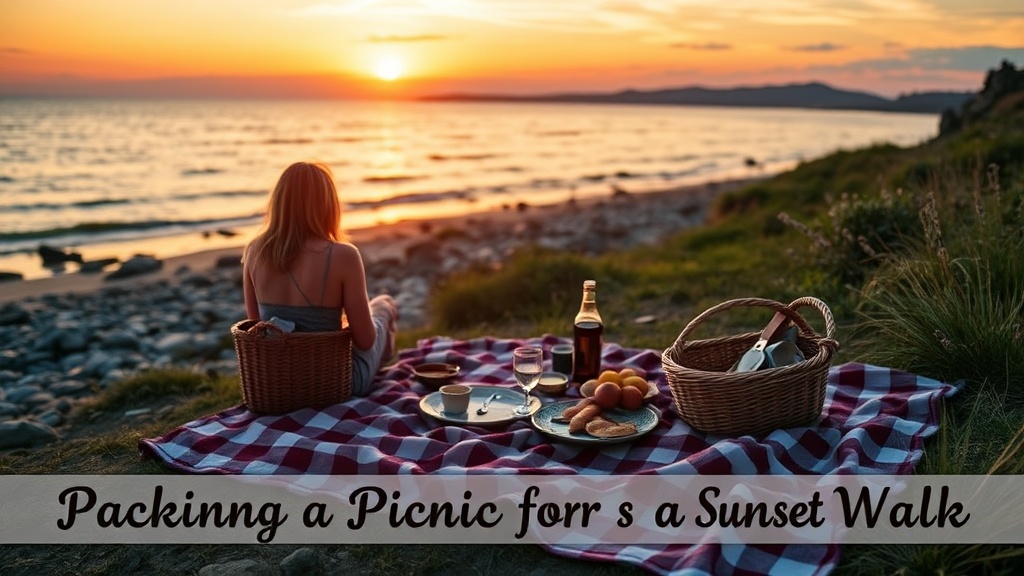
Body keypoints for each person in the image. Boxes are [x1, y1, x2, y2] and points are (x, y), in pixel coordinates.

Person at [242, 161, 398, 396]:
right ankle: (386, 360)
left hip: (277, 387)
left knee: (378, 309)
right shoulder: (344, 255)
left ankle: (384, 357)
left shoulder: (254, 251)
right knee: (384, 306)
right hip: (334, 386)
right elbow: (365, 341)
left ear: (280, 202)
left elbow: (258, 332)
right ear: (328, 205)